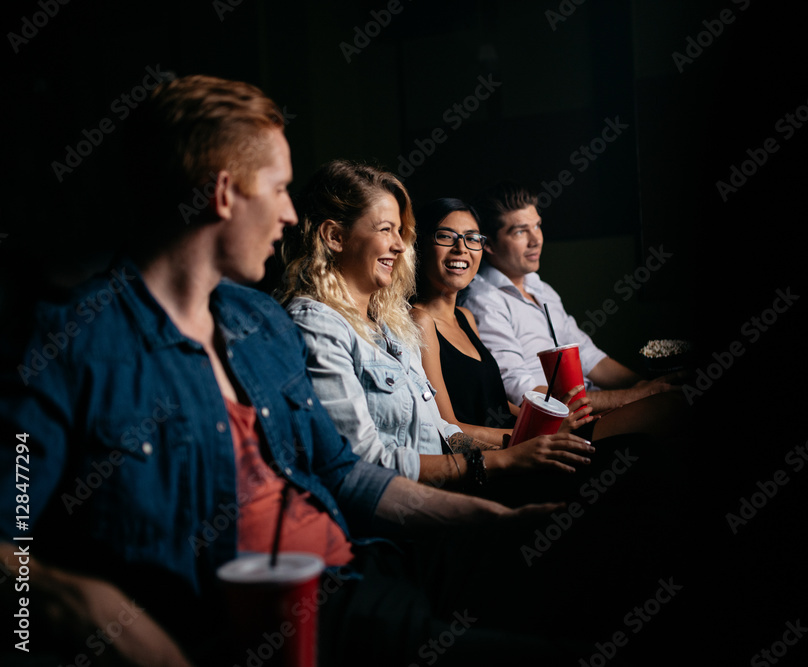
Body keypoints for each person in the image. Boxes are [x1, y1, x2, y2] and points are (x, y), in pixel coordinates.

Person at [0, 76, 584, 666]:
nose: (288, 216)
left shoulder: (258, 323)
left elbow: (343, 473)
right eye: (278, 190)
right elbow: (9, 531)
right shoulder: (71, 343)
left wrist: (494, 521)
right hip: (290, 608)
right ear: (223, 194)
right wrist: (77, 602)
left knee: (591, 546)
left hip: (360, 563)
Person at [278, 161, 596, 486]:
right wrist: (511, 454)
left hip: (464, 475)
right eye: (386, 229)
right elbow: (365, 464)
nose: (401, 245)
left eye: (401, 232)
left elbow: (445, 433)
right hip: (428, 498)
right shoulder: (322, 323)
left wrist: (529, 441)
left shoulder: (391, 325)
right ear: (334, 236)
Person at [460, 181, 684, 434]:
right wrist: (636, 396)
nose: (536, 240)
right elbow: (522, 392)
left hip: (593, 405)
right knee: (675, 404)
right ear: (487, 244)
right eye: (520, 231)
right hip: (558, 424)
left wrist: (645, 385)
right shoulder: (483, 301)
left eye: (537, 226)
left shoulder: (541, 288)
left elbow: (588, 356)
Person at [411, 197, 599, 445]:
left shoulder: (465, 317)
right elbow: (447, 425)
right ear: (420, 245)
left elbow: (496, 402)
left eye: (472, 238)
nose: (461, 248)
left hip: (522, 440)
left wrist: (550, 422)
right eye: (446, 236)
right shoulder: (420, 321)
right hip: (501, 454)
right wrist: (533, 436)